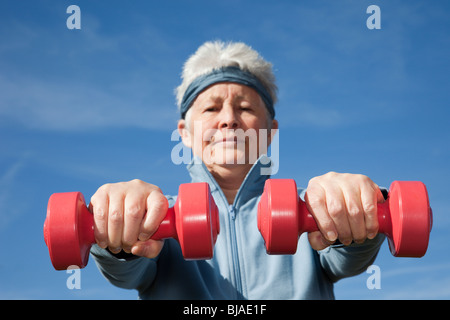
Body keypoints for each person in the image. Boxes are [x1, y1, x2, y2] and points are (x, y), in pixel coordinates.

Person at [90, 41, 386, 299]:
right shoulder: (153, 216)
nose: (229, 120)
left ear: (270, 131)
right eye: (211, 109)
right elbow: (125, 274)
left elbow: (350, 260)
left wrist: (356, 207)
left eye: (245, 107)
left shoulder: (314, 207)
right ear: (185, 133)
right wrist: (118, 227)